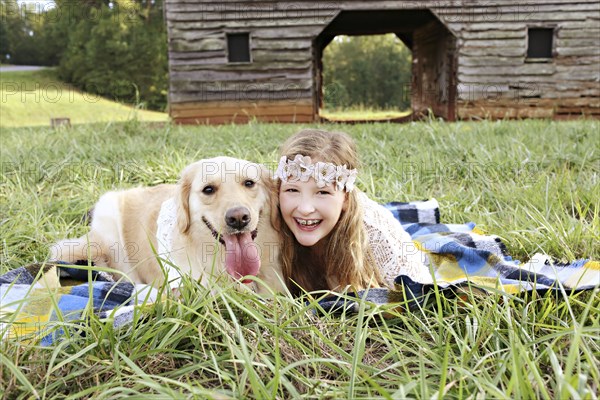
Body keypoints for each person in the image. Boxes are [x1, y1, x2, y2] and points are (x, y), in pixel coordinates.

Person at [271, 129, 431, 297]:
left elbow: (423, 295)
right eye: (292, 190)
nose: (305, 208)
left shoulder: (375, 236)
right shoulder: (270, 218)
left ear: (346, 197)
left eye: (322, 192)